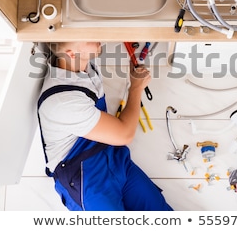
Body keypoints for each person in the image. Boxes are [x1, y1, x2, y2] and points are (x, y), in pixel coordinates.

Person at [37, 42, 173, 211]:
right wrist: (136, 88)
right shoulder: (63, 101)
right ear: (72, 54)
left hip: (113, 158)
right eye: (90, 38)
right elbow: (124, 134)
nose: (98, 38)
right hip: (84, 177)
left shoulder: (84, 66)